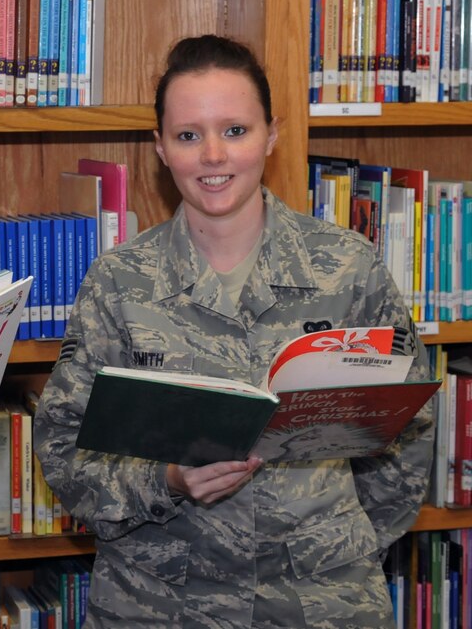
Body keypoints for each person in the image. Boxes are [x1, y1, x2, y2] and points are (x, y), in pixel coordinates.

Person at [33, 34, 434, 627]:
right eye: (188, 135)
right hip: (160, 604)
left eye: (236, 131)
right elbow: (63, 454)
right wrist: (165, 479)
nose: (213, 155)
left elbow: (406, 432)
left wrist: (335, 552)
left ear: (272, 135)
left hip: (322, 604)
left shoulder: (350, 267)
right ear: (161, 149)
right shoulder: (117, 282)